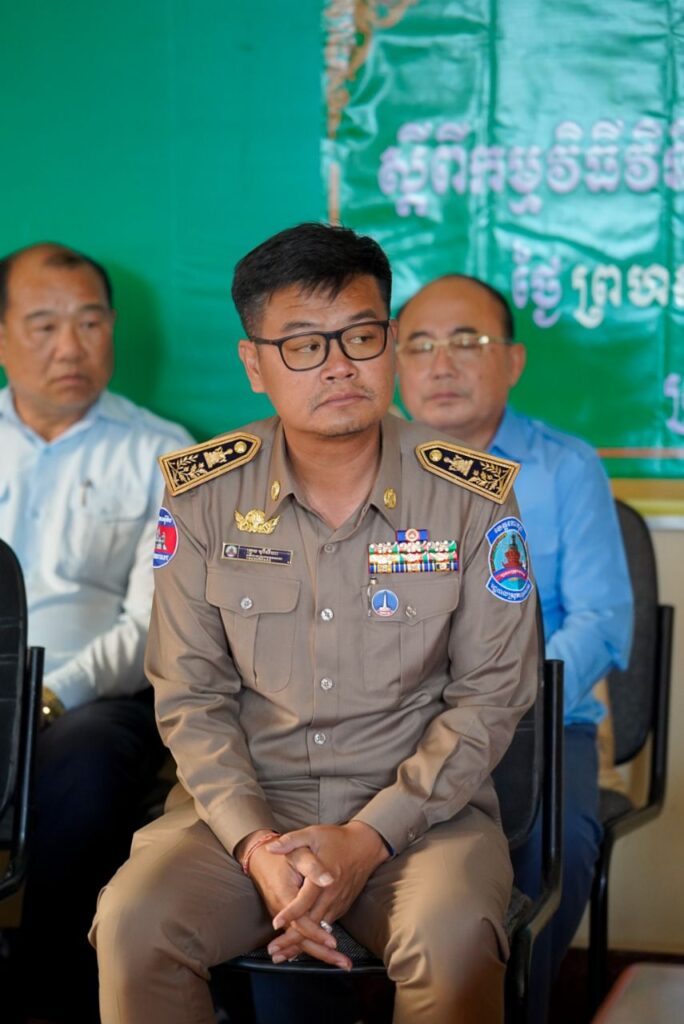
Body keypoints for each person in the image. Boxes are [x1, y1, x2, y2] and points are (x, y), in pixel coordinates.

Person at [91, 223, 538, 1024]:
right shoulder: (202, 494)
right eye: (303, 345)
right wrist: (258, 847)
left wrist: (368, 838)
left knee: (453, 938)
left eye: (360, 336)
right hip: (241, 818)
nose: (338, 365)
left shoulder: (471, 494)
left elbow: (491, 696)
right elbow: (191, 696)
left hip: (419, 823)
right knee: (135, 923)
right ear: (254, 363)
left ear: (389, 342)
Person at [396, 273, 633, 1022]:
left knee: (558, 845)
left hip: (538, 728)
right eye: (419, 345)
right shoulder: (363, 464)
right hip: (393, 726)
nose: (441, 364)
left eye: (467, 342)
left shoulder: (566, 468)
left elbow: (601, 619)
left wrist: (504, 702)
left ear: (514, 360)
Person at [0, 242, 192, 1023]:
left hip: (92, 699)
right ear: (2, 335)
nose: (70, 348)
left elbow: (155, 621)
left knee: (83, 767)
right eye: (44, 325)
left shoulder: (163, 451)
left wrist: (51, 696)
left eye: (89, 323)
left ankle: (53, 994)